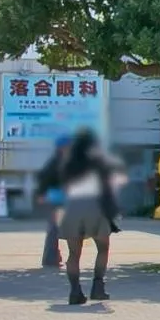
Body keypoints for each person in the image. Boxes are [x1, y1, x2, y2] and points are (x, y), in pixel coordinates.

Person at [56, 128, 123, 305]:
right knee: (103, 248)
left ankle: (75, 291)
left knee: (73, 254)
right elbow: (107, 187)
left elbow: (64, 188)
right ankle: (98, 287)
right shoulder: (98, 161)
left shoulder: (68, 163)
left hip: (73, 208)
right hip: (95, 208)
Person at [34, 132, 70, 271]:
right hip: (55, 200)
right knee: (54, 230)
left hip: (61, 200)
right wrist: (41, 193)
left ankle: (54, 256)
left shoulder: (64, 160)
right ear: (62, 147)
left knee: (56, 230)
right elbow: (44, 177)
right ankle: (50, 258)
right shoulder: (56, 161)